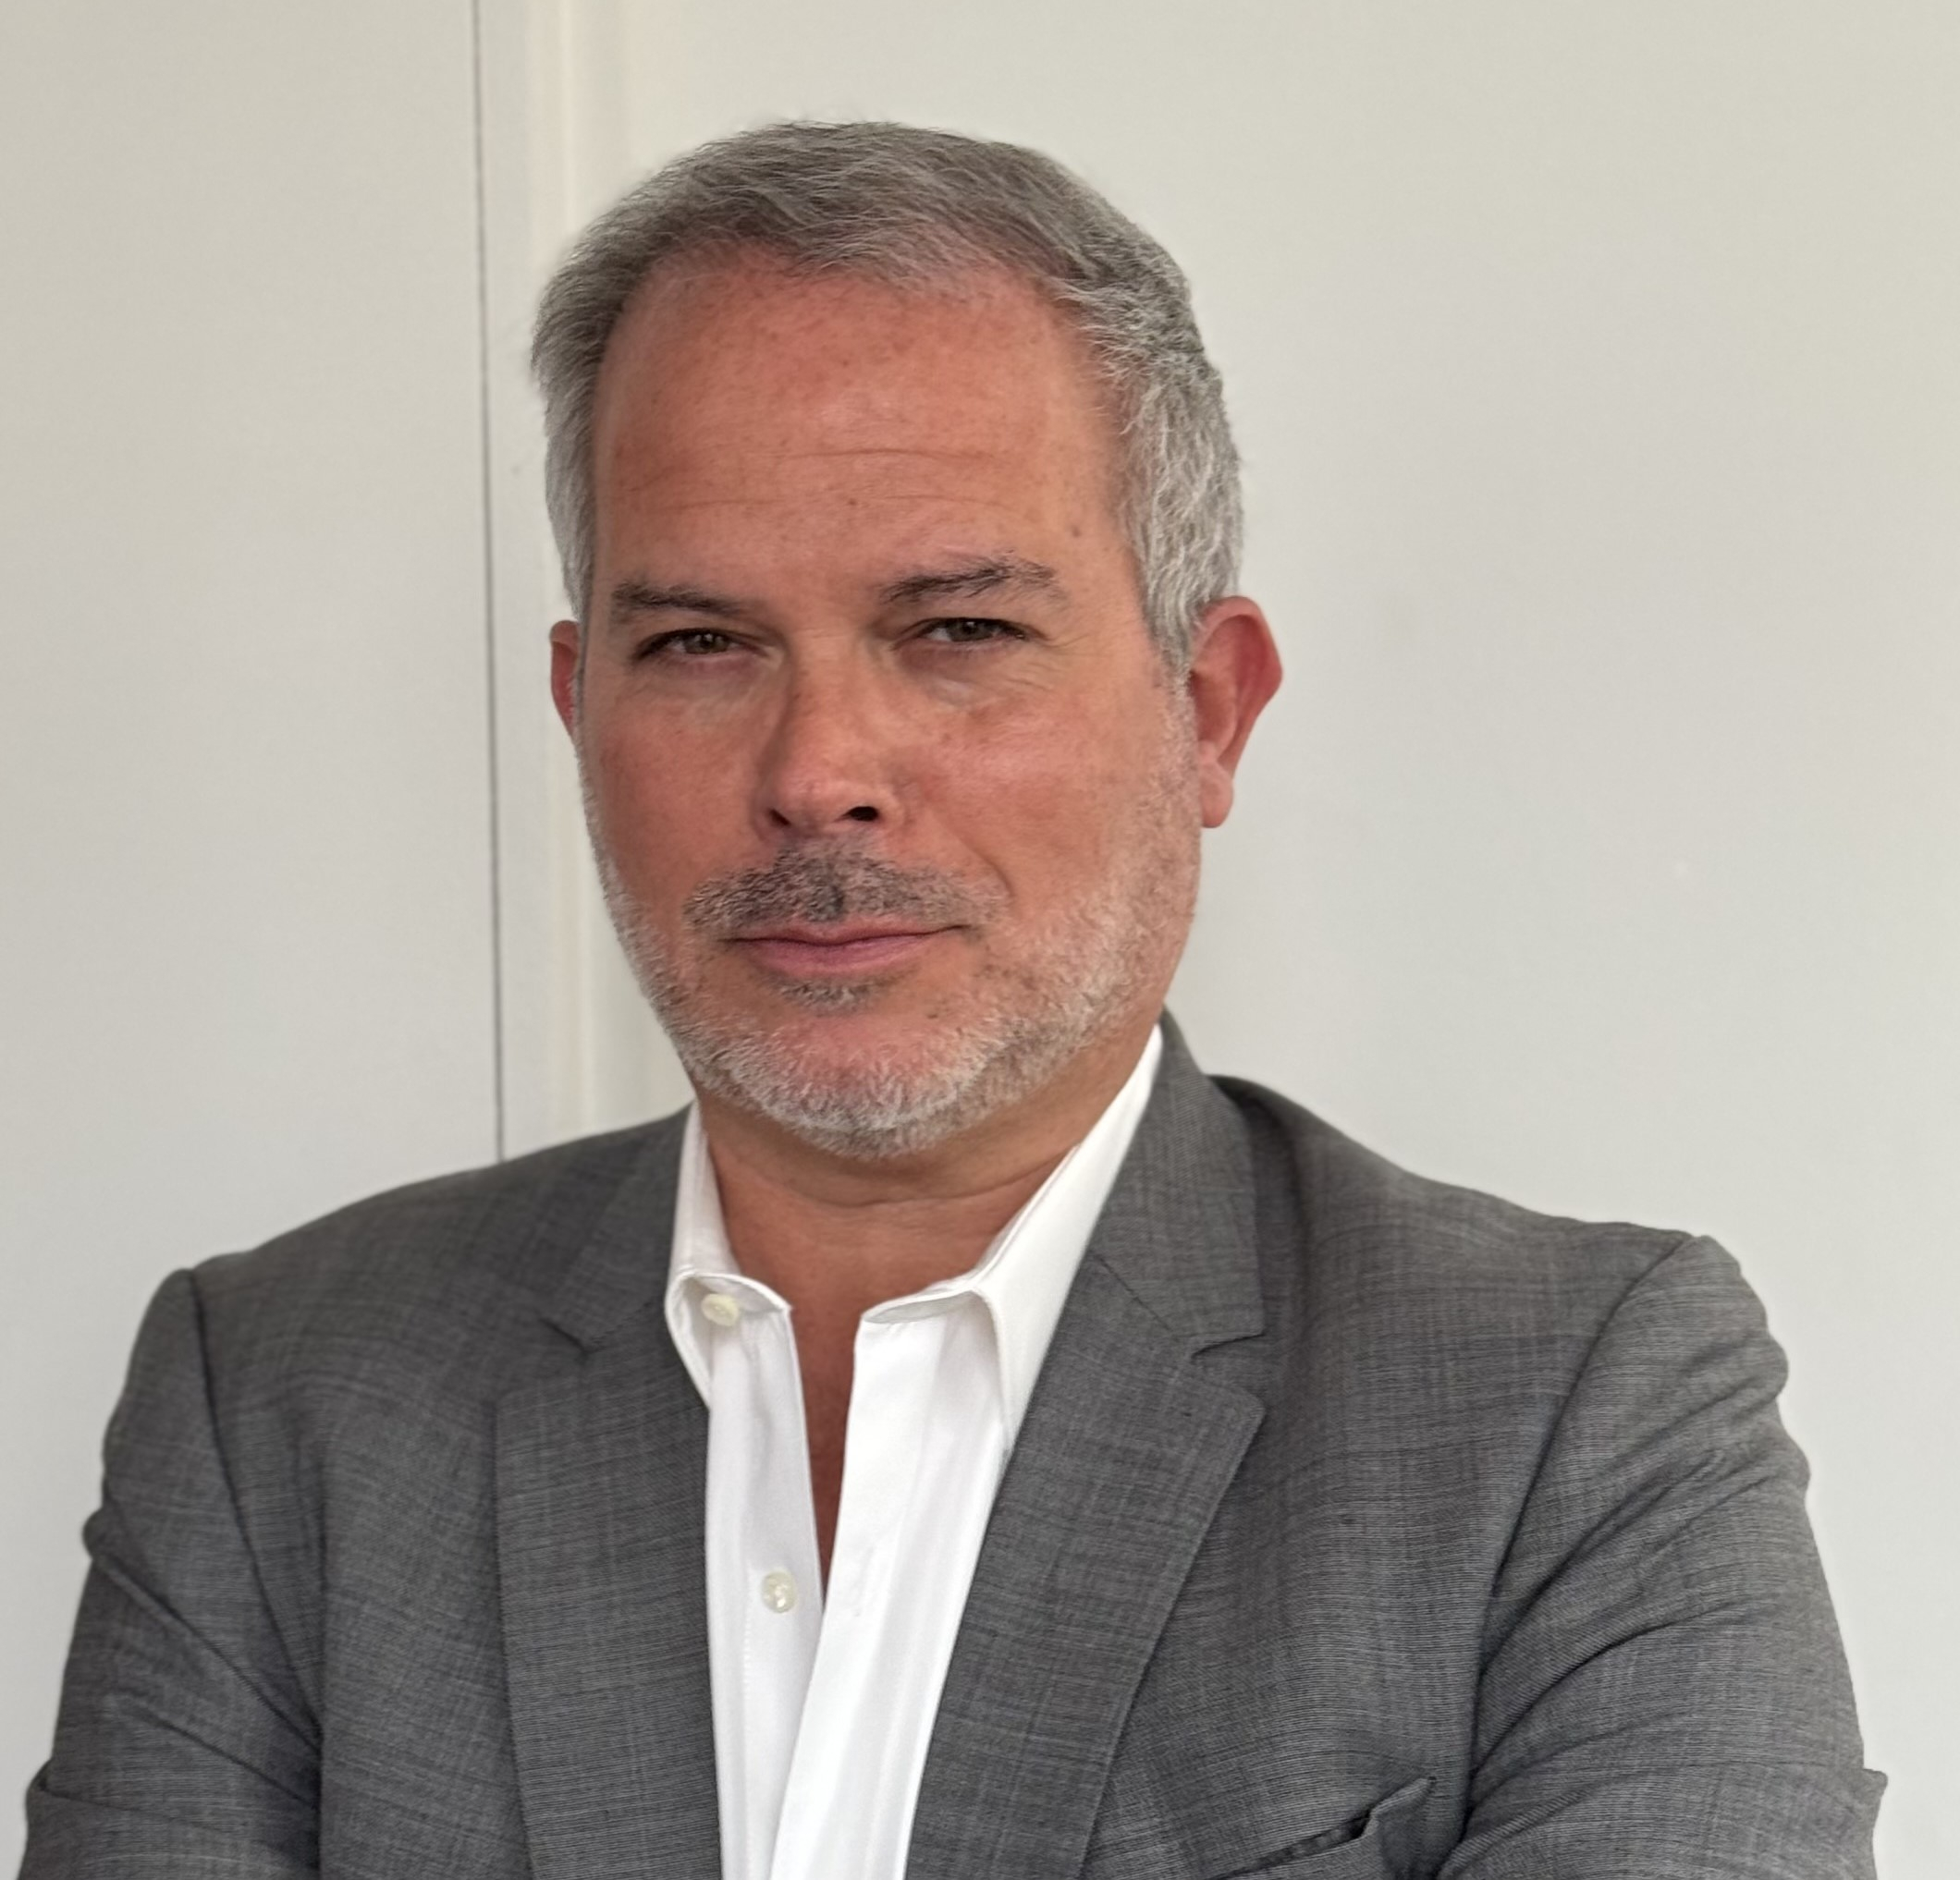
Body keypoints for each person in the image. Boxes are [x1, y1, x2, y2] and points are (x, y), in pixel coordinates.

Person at [22, 121, 1881, 1880]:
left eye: (958, 631)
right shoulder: (281, 1399)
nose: (816, 771)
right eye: (702, 644)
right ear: (582, 712)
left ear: (1205, 710)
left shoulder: (1574, 1408)